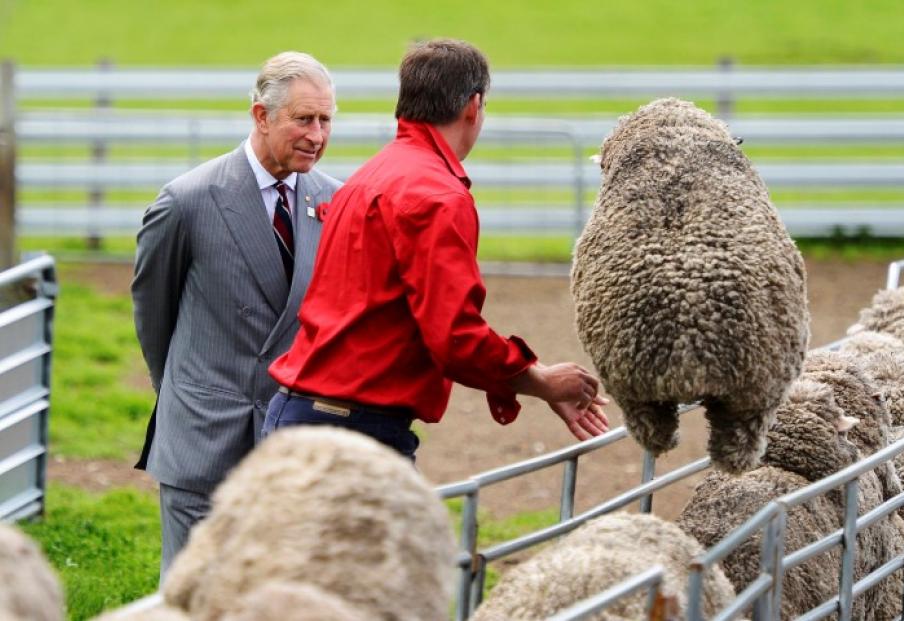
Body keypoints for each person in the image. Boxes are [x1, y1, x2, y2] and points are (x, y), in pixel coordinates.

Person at [264, 39, 609, 458]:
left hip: (303, 416)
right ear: (473, 106)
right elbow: (455, 336)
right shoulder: (437, 195)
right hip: (351, 434)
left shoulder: (370, 176)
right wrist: (537, 378)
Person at [131, 51, 341, 577]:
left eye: (326, 120)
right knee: (194, 592)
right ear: (261, 116)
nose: (317, 135)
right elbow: (153, 315)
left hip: (291, 446)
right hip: (205, 438)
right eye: (304, 119)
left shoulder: (335, 202)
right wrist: (185, 391)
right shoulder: (188, 201)